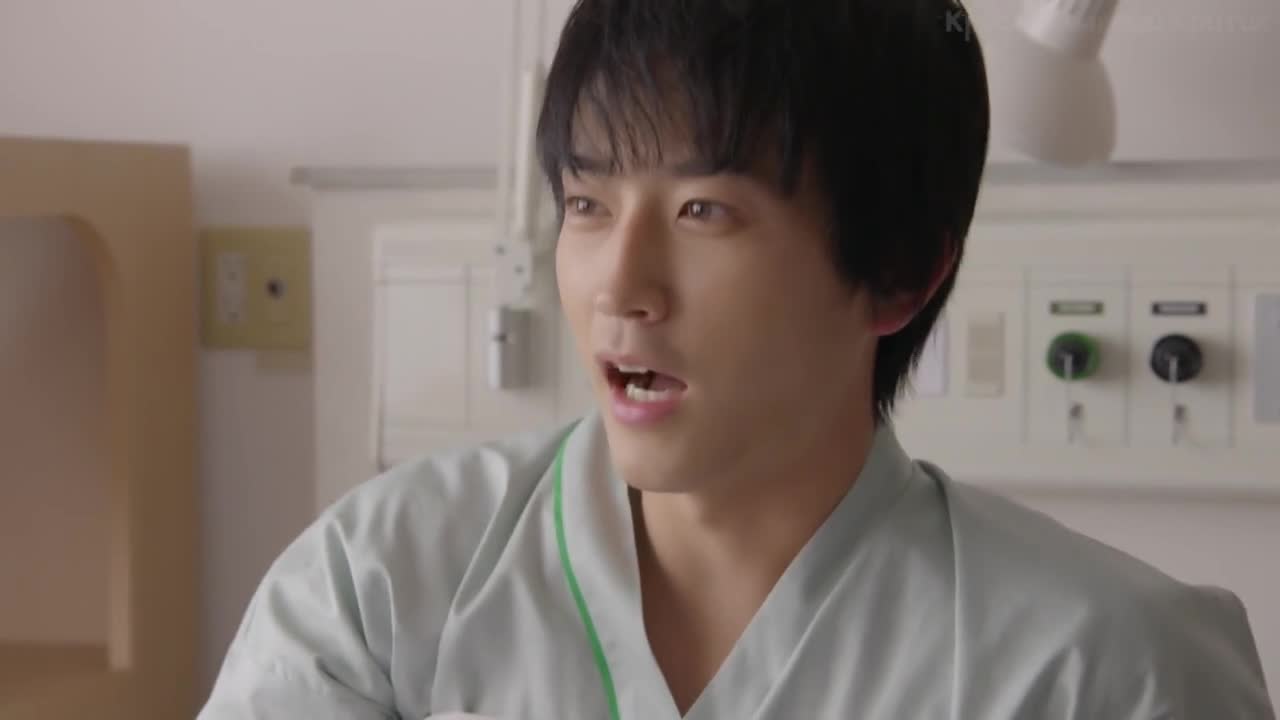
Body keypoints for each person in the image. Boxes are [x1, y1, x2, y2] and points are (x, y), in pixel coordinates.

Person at [198, 0, 1276, 717]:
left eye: (703, 210)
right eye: (586, 203)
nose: (620, 285)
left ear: (899, 272)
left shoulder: (1099, 672)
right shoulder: (380, 590)